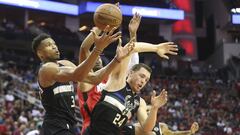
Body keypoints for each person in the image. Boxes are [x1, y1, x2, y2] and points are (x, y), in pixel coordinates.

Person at [83, 22, 178, 135]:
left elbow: (147, 128)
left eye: (146, 80)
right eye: (142, 76)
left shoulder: (139, 102)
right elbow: (131, 48)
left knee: (151, 133)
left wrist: (154, 108)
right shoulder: (118, 82)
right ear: (131, 72)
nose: (143, 81)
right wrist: (156, 48)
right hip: (93, 132)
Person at [32, 26, 126, 135]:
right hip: (55, 125)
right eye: (49, 45)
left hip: (71, 124)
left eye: (54, 44)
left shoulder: (66, 64)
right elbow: (78, 74)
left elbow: (94, 78)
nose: (54, 47)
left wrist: (116, 59)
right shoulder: (46, 69)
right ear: (40, 53)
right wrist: (98, 48)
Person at [77, 13, 141, 135]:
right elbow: (84, 49)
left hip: (111, 128)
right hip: (92, 128)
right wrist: (102, 25)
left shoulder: (111, 78)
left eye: (98, 56)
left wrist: (133, 33)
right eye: (92, 56)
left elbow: (133, 65)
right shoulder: (86, 80)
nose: (96, 58)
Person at [133, 105, 199, 135]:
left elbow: (173, 134)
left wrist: (189, 132)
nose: (148, 112)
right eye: (146, 110)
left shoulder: (161, 126)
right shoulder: (135, 126)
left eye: (150, 110)